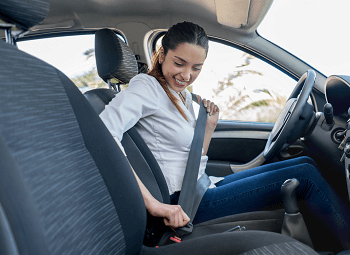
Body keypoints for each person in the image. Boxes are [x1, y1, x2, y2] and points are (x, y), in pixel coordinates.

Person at [100, 21, 350, 251]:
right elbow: (104, 133)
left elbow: (189, 162)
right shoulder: (146, 87)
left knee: (304, 163)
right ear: (162, 54)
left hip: (200, 187)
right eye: (179, 63)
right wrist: (155, 205)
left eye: (196, 67)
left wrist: (208, 129)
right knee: (304, 176)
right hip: (185, 204)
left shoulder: (181, 95)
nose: (187, 75)